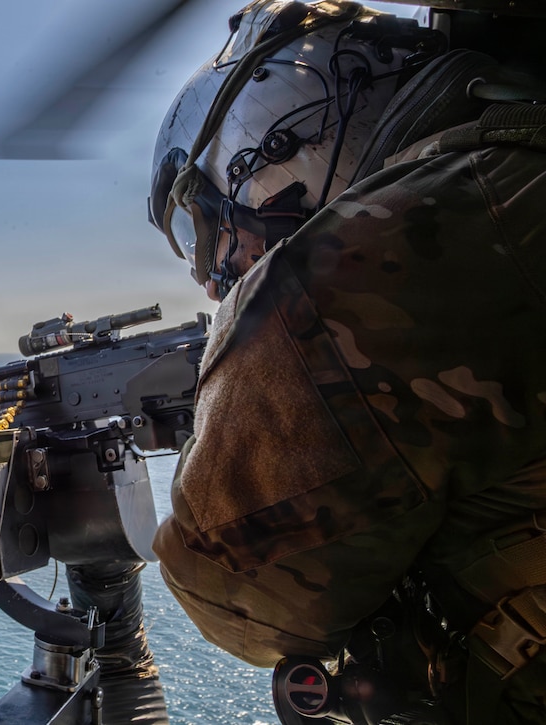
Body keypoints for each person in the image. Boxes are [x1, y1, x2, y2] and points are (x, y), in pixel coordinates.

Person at [146, 1, 546, 723]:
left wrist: (226, 383)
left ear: (275, 144)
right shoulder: (514, 166)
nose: (210, 278)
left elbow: (235, 597)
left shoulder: (375, 254)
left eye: (206, 230)